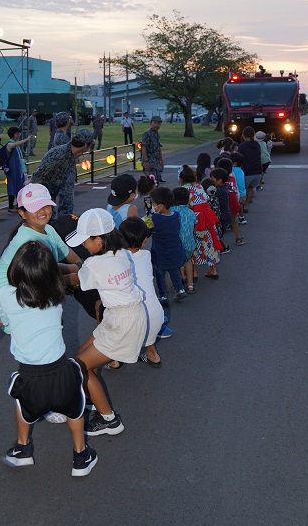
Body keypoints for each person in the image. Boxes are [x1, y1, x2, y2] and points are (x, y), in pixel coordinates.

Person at [0, 241, 97, 476]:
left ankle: (22, 448)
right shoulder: (56, 294)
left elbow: (5, 321)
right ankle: (81, 456)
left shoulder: (6, 294)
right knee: (75, 410)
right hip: (61, 371)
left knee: (22, 405)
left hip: (28, 375)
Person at [66, 209, 147, 437]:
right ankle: (91, 397)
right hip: (126, 315)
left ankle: (109, 419)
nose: (83, 245)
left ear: (99, 240)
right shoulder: (121, 252)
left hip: (122, 322)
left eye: (85, 240)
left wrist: (48, 277)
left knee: (78, 366)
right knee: (81, 355)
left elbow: (75, 279)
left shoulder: (94, 263)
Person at [0, 184, 82, 322]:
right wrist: (77, 276)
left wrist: (81, 265)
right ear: (22, 213)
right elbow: (48, 280)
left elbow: (71, 257)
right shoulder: (28, 242)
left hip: (27, 287)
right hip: (4, 298)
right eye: (34, 207)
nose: (42, 211)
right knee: (45, 328)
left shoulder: (49, 229)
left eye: (46, 205)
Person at [118, 217, 164, 366]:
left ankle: (114, 360)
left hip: (135, 322)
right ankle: (152, 354)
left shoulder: (117, 259)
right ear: (144, 241)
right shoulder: (146, 255)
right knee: (147, 331)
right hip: (157, 317)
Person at [31, 129, 94, 218]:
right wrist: (31, 182)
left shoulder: (69, 154)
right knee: (47, 218)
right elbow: (42, 170)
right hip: (47, 194)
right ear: (86, 145)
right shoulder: (59, 153)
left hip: (55, 194)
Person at [178, 165, 222, 279]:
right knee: (208, 243)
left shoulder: (184, 190)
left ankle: (194, 272)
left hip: (194, 219)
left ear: (181, 179)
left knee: (194, 244)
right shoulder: (199, 186)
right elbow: (206, 200)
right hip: (206, 217)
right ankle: (213, 270)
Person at [150, 187, 188, 303]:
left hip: (161, 254)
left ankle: (163, 295)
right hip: (175, 252)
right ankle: (180, 289)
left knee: (160, 275)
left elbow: (149, 227)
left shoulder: (155, 219)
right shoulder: (175, 215)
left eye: (153, 203)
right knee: (174, 271)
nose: (152, 205)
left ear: (160, 206)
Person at [170, 186, 197, 292]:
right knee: (188, 261)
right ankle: (190, 285)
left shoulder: (171, 211)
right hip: (190, 243)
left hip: (175, 243)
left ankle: (179, 283)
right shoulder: (191, 212)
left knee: (176, 263)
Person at [4, 126, 33, 212]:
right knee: (12, 186)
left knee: (20, 186)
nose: (18, 135)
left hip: (18, 169)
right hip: (13, 169)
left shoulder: (15, 145)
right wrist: (27, 139)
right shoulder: (10, 144)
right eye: (17, 134)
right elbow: (15, 144)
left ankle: (18, 205)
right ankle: (11, 206)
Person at [237, 126, 263, 210]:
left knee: (242, 189)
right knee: (251, 188)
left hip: (247, 172)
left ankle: (241, 207)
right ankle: (246, 205)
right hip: (258, 171)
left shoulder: (242, 146)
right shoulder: (257, 145)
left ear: (243, 135)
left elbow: (239, 159)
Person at [141, 116, 165, 184]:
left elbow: (158, 148)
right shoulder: (147, 134)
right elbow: (144, 147)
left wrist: (161, 160)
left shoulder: (157, 134)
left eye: (158, 123)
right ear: (151, 123)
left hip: (156, 161)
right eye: (155, 123)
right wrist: (146, 161)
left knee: (156, 182)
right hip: (149, 161)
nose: (156, 125)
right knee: (150, 183)